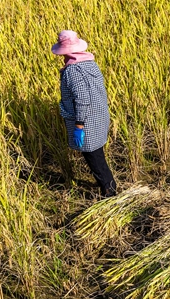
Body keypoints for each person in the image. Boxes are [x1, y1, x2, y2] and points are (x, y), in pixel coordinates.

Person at [52, 29, 117, 197]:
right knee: (97, 154)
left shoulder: (72, 71)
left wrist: (79, 126)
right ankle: (108, 186)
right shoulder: (90, 63)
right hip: (99, 114)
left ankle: (109, 193)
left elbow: (81, 99)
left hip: (87, 120)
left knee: (94, 158)